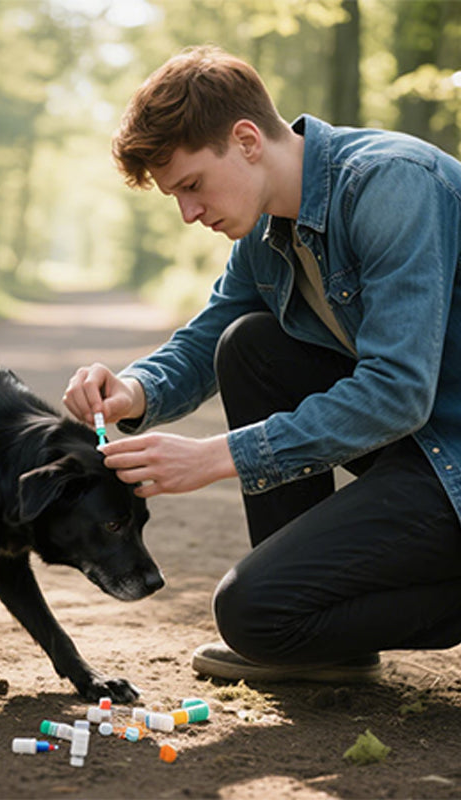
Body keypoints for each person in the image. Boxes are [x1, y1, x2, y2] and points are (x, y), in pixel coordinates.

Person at [62, 44, 461, 683]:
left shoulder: (392, 184)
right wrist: (133, 389)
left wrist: (217, 456)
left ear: (247, 139)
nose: (188, 213)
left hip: (450, 456)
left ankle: (300, 622)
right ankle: (321, 638)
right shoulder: (265, 230)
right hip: (420, 448)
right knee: (249, 345)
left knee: (253, 614)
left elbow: (397, 392)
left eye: (191, 185)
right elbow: (207, 338)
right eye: (175, 197)